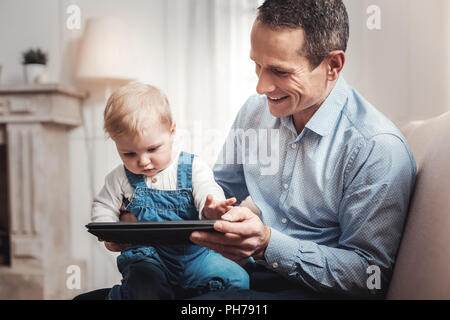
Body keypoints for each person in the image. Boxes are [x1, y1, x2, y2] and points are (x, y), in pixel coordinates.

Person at [189, 0, 416, 299]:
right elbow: (216, 192)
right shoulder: (254, 113)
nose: (260, 86)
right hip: (240, 275)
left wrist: (268, 244)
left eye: (279, 71)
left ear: (332, 65)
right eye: (256, 65)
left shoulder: (377, 148)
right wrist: (144, 222)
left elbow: (369, 276)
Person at [90, 82, 249, 299]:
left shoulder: (193, 167)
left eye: (152, 149)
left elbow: (208, 192)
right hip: (147, 256)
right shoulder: (119, 177)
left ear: (172, 131)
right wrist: (109, 231)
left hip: (196, 255)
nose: (143, 161)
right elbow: (103, 205)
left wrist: (212, 208)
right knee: (147, 286)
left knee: (237, 279)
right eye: (129, 154)